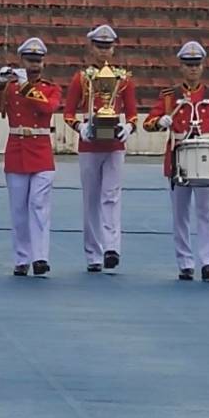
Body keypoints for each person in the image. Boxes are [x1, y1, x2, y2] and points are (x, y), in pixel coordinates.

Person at [143, 41, 209, 281]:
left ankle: (208, 261)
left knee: (206, 212)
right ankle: (185, 262)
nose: (193, 69)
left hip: (204, 159)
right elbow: (148, 123)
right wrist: (160, 122)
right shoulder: (170, 96)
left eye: (196, 65)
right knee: (181, 215)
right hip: (178, 158)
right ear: (181, 67)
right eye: (189, 65)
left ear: (203, 67)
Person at [0, 37, 61, 277]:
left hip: (41, 151)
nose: (34, 65)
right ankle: (22, 258)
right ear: (21, 61)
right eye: (30, 60)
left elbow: (47, 107)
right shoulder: (11, 88)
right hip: (17, 150)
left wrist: (25, 87)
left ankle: (40, 257)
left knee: (39, 204)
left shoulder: (50, 88)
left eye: (38, 61)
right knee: (18, 210)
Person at [64, 24, 137, 272]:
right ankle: (93, 253)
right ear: (91, 48)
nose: (104, 51)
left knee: (112, 196)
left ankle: (111, 248)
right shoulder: (81, 78)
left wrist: (128, 127)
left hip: (115, 142)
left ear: (114, 48)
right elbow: (68, 112)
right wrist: (80, 127)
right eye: (99, 46)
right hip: (90, 144)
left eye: (108, 46)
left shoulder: (123, 79)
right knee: (91, 199)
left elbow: (132, 113)